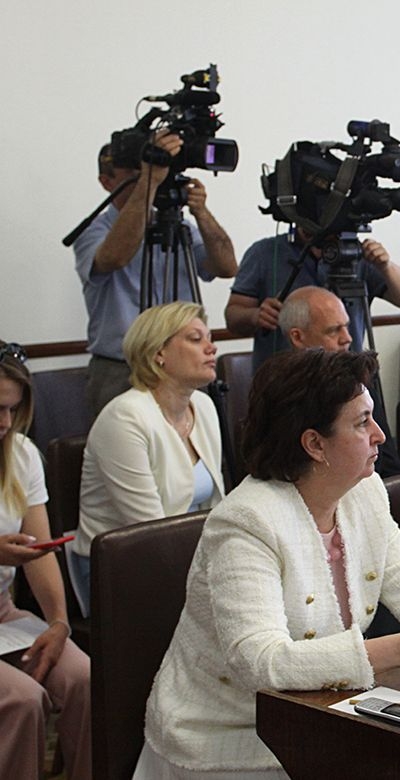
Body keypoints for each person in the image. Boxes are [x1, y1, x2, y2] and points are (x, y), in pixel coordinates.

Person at [134, 349, 400, 778]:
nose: (380, 435)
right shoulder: (247, 521)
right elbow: (261, 662)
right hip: (229, 736)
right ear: (315, 444)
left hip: (319, 713)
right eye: (362, 422)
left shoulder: (363, 492)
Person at [73, 302, 225, 615]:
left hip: (187, 556)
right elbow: (150, 532)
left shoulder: (204, 405)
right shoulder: (125, 417)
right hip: (121, 570)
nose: (211, 348)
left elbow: (215, 505)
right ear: (158, 353)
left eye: (209, 338)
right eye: (195, 339)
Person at [73, 131, 238, 415]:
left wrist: (201, 212)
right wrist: (148, 183)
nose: (149, 177)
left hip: (183, 365)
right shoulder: (94, 231)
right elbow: (115, 256)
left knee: (192, 440)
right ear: (106, 182)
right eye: (134, 173)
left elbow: (226, 267)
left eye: (148, 171)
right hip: (121, 369)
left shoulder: (180, 226)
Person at [0, 340, 91, 780]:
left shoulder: (20, 454)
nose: (5, 422)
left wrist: (58, 622)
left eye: (12, 409)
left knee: (84, 678)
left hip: (3, 613)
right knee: (22, 699)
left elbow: (38, 551)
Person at [224, 226, 400, 372]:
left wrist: (385, 266)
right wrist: (255, 316)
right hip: (284, 384)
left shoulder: (356, 253)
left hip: (347, 377)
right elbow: (233, 315)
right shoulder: (264, 253)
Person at [278, 286, 400, 476]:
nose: (347, 338)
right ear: (297, 337)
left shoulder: (358, 384)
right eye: (333, 331)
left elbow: (390, 465)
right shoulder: (282, 396)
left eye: (346, 326)